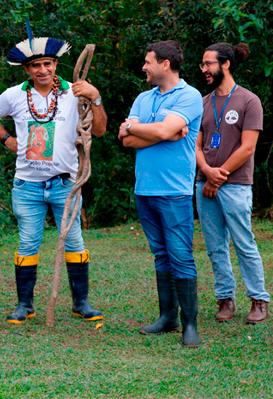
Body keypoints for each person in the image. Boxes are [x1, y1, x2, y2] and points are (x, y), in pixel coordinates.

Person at [0, 23, 107, 324]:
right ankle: (25, 305)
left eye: (47, 64)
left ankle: (81, 302)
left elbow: (99, 130)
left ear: (56, 65)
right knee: (27, 243)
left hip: (65, 184)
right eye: (35, 65)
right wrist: (7, 140)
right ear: (27, 69)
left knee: (75, 241)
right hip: (27, 186)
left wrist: (95, 96)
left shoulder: (74, 94)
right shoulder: (13, 95)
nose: (42, 70)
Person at [118, 41, 203, 347]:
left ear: (165, 64)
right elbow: (125, 140)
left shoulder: (189, 96)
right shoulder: (144, 97)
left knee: (181, 256)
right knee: (161, 254)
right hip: (145, 190)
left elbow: (163, 132)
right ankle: (168, 318)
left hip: (174, 191)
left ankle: (190, 325)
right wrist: (157, 131)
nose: (144, 66)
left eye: (148, 61)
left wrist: (137, 128)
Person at [196, 43, 269, 324]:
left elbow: (248, 147)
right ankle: (225, 300)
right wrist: (206, 171)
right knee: (215, 246)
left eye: (208, 64)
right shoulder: (203, 102)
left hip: (235, 184)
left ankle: (258, 300)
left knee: (243, 242)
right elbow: (197, 144)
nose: (204, 69)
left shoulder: (249, 101)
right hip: (204, 184)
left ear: (225, 64)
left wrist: (218, 175)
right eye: (203, 65)